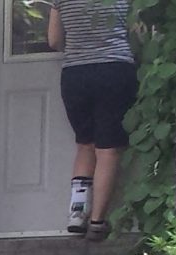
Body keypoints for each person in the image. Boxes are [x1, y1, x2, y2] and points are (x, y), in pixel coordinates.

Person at [49, 0, 138, 242]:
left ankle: (77, 215)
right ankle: (97, 221)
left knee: (85, 143)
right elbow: (138, 31)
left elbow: (54, 40)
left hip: (75, 75)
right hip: (115, 70)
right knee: (108, 150)